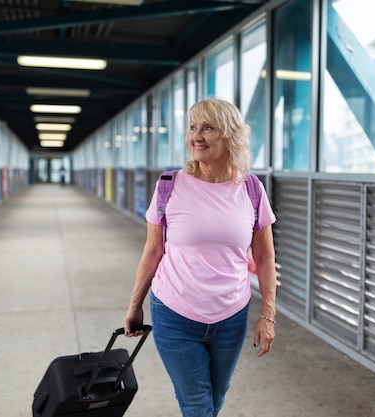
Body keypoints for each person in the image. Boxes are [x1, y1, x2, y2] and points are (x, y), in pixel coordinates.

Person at [123, 98, 278, 417]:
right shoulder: (169, 186)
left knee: (215, 399)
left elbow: (264, 258)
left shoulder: (251, 189)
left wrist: (268, 315)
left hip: (231, 316)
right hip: (174, 312)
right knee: (196, 404)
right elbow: (153, 251)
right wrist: (135, 305)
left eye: (208, 128)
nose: (197, 136)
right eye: (193, 128)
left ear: (230, 136)